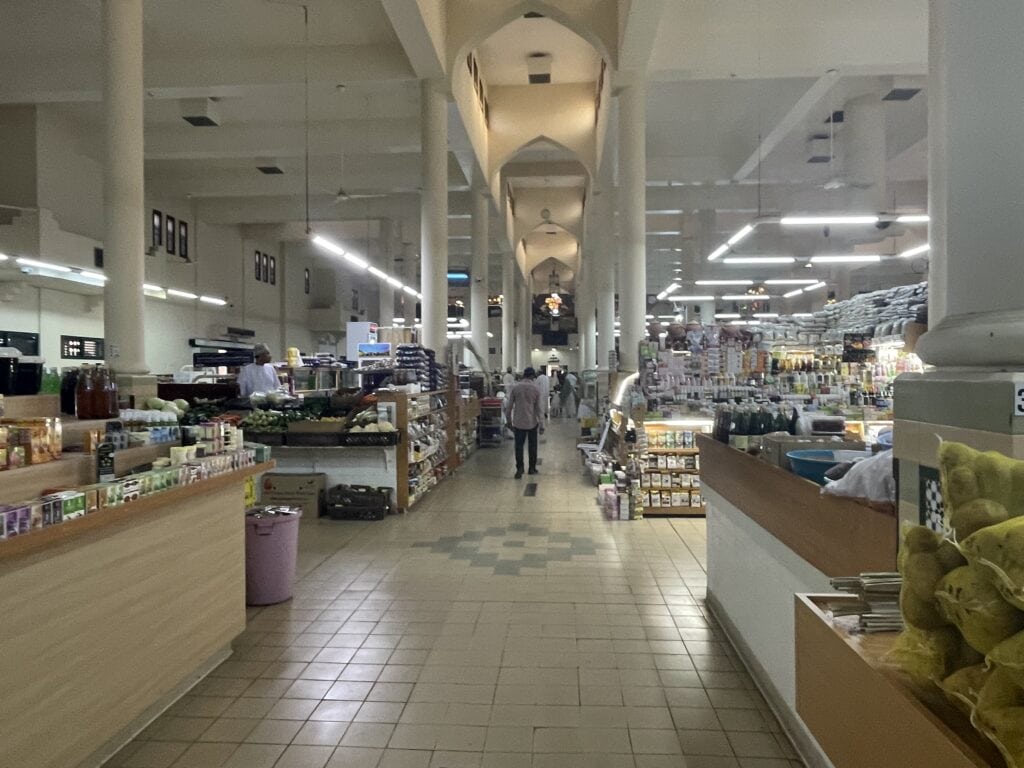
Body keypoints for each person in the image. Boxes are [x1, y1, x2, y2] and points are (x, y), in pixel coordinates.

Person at [504, 366, 543, 478]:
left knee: (519, 447)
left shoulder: (516, 388)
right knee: (532, 447)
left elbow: (509, 407)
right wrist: (542, 424)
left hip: (518, 422)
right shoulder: (535, 388)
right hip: (532, 423)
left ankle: (520, 469)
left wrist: (508, 421)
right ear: (532, 376)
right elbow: (539, 409)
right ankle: (531, 468)